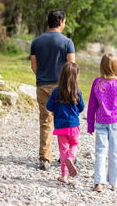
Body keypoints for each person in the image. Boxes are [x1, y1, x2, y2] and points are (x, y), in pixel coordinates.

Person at [30, 10, 75, 170]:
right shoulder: (67, 42)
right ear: (61, 21)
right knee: (65, 121)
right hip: (61, 87)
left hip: (42, 86)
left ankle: (45, 158)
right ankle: (68, 155)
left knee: (45, 121)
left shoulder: (36, 42)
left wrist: (42, 77)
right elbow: (71, 67)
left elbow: (33, 65)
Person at [87, 53, 117, 192]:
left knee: (100, 151)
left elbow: (92, 105)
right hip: (115, 122)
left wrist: (90, 125)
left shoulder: (97, 82)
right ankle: (113, 182)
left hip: (100, 121)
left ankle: (98, 183)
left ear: (102, 66)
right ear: (116, 66)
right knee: (115, 152)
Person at [46, 62, 84, 183]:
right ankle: (71, 158)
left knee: (63, 150)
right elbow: (81, 107)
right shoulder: (77, 92)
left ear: (62, 75)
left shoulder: (56, 91)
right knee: (74, 145)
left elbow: (49, 106)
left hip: (61, 127)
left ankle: (64, 176)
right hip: (74, 126)